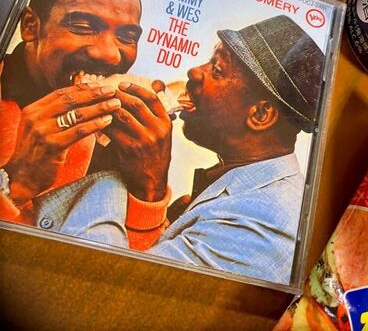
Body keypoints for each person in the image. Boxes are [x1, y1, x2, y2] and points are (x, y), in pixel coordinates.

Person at [29, 15, 326, 285]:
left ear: (260, 115)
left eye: (217, 70)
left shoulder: (263, 228)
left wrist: (137, 182)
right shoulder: (243, 192)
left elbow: (104, 290)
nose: (194, 72)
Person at [0, 0, 172, 245]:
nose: (110, 54)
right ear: (30, 25)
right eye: (83, 26)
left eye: (126, 37)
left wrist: (150, 190)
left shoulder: (125, 134)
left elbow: (130, 262)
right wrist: (16, 183)